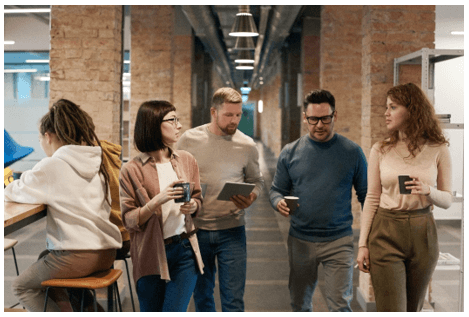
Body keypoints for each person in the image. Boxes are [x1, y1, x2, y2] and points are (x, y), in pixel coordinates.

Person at [4, 99, 123, 312]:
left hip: (77, 256)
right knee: (45, 258)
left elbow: (17, 190)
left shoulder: (54, 165)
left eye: (40, 138)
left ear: (48, 137)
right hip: (107, 252)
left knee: (22, 287)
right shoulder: (96, 161)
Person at [356, 83, 452, 312]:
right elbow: (371, 197)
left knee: (412, 309)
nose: (386, 113)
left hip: (423, 232)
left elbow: (447, 200)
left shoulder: (438, 148)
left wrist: (427, 190)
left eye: (393, 107)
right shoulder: (380, 149)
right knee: (392, 309)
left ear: (412, 110)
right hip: (386, 230)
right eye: (386, 107)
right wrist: (362, 244)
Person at [269, 89, 368, 312]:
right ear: (305, 117)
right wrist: (278, 202)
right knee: (299, 304)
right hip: (300, 240)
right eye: (313, 119)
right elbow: (276, 190)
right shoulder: (290, 152)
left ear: (335, 116)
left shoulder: (352, 152)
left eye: (325, 118)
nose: (319, 125)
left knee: (340, 305)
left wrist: (367, 240)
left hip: (339, 240)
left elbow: (367, 197)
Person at [176, 87, 264, 312]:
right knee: (203, 298)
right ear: (213, 112)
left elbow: (257, 180)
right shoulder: (189, 140)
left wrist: (252, 196)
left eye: (238, 115)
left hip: (232, 231)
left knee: (233, 300)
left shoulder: (246, 145)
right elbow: (175, 175)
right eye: (229, 115)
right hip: (196, 230)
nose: (234, 120)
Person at [118, 100, 204, 312]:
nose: (179, 126)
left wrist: (193, 205)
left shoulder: (186, 160)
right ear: (153, 125)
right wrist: (158, 200)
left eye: (178, 120)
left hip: (184, 250)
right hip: (150, 253)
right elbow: (129, 220)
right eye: (172, 120)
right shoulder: (132, 170)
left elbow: (198, 199)